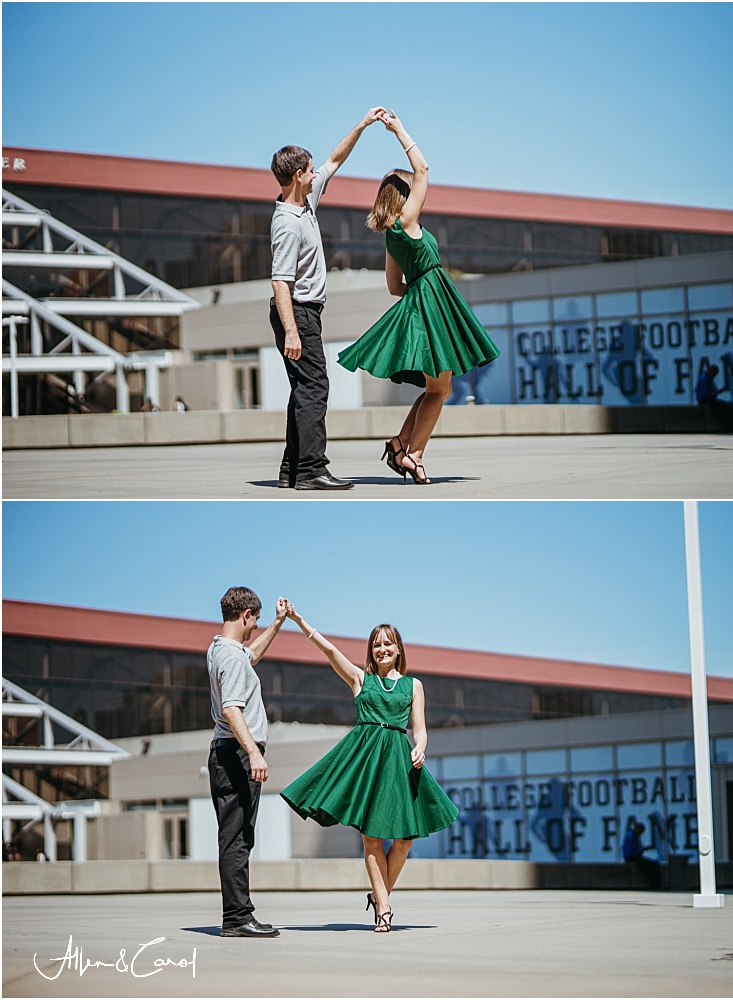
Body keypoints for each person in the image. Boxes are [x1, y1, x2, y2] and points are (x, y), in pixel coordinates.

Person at [337, 110, 501, 485]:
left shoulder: (391, 235)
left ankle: (402, 445)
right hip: (431, 302)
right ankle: (413, 453)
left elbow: (395, 287)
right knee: (441, 388)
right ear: (405, 195)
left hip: (422, 302)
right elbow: (424, 168)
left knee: (438, 387)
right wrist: (398, 130)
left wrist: (421, 293)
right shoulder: (408, 223)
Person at [280, 609, 458, 932]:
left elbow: (420, 728)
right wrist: (299, 622)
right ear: (371, 651)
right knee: (371, 837)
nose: (382, 649)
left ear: (399, 649)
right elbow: (331, 652)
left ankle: (379, 897)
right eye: (376, 645)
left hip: (398, 759)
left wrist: (420, 746)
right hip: (366, 758)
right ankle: (385, 909)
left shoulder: (413, 685)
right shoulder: (361, 679)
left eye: (388, 644)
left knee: (404, 840)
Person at [269, 107, 387, 491]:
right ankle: (311, 469)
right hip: (297, 314)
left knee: (304, 390)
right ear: (298, 175)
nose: (317, 170)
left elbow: (336, 159)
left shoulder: (306, 203)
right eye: (310, 167)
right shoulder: (288, 223)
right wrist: (291, 330)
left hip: (305, 315)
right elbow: (280, 282)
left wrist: (362, 125)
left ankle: (292, 470)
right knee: (315, 388)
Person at [207, 586, 290, 937]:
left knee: (239, 836)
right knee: (236, 838)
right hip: (236, 753)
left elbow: (250, 656)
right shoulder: (229, 656)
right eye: (255, 621)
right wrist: (253, 752)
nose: (255, 626)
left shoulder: (223, 650)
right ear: (245, 615)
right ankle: (237, 918)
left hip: (229, 752)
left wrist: (277, 623)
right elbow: (231, 707)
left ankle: (240, 914)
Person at [695, 363, 733, 431]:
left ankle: (729, 426)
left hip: (707, 399)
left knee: (728, 406)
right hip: (705, 400)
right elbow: (705, 394)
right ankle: (729, 426)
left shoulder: (707, 378)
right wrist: (716, 392)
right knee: (727, 407)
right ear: (711, 371)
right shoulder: (704, 379)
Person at [622, 821, 661, 888]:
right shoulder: (631, 836)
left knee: (653, 864)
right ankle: (655, 884)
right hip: (632, 858)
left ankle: (654, 883)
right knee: (653, 865)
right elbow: (632, 852)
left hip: (633, 856)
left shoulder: (632, 835)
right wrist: (642, 849)